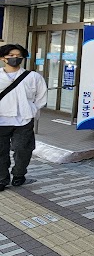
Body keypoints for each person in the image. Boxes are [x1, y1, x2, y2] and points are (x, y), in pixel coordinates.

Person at [0, 44, 47, 190]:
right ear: (3, 58)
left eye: (18, 56)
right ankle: (2, 179)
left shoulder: (33, 77)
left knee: (23, 150)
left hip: (24, 120)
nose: (15, 58)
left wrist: (33, 110)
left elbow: (41, 96)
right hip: (1, 120)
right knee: (0, 152)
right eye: (11, 55)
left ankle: (19, 175)